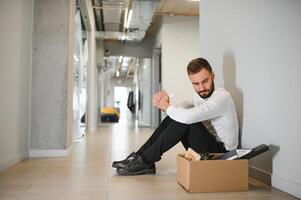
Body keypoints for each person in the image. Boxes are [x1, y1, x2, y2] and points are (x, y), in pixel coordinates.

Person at [112, 57, 239, 176]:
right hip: (208, 147)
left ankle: (145, 161)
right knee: (175, 118)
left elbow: (187, 117)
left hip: (223, 153)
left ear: (213, 76)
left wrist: (167, 107)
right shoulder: (199, 96)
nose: (201, 88)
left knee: (185, 120)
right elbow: (178, 111)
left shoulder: (222, 97)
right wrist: (165, 106)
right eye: (196, 84)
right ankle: (140, 157)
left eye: (205, 81)